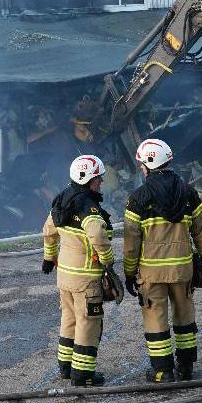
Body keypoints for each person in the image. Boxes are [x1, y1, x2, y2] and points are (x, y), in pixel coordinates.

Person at [124, 139, 202, 382]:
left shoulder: (138, 198)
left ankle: (163, 372)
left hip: (151, 274)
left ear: (146, 165)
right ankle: (186, 368)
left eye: (142, 164)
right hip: (182, 270)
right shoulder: (188, 193)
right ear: (169, 161)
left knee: (156, 320)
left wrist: (129, 273)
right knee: (185, 316)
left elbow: (131, 243)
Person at [42, 154, 116, 387]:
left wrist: (48, 257)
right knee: (88, 321)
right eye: (98, 179)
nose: (101, 183)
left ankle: (66, 367)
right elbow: (97, 234)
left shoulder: (62, 199)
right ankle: (82, 374)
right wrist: (107, 260)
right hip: (86, 278)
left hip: (65, 276)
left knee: (69, 318)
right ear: (89, 180)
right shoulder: (88, 207)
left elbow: (48, 229)